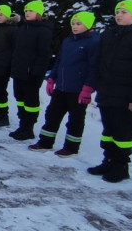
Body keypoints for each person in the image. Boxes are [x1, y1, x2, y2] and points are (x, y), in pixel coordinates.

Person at [87, 0, 132, 183]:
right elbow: (100, 61)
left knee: (123, 132)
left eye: (124, 12)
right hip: (107, 91)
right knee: (108, 129)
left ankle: (121, 166)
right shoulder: (110, 34)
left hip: (126, 95)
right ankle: (108, 160)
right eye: (117, 12)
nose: (119, 15)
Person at [29, 11, 99, 156]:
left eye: (79, 24)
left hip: (78, 89)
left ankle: (71, 147)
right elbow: (60, 61)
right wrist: (52, 78)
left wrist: (88, 88)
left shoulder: (93, 42)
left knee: (75, 119)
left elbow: (94, 67)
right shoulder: (68, 41)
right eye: (73, 23)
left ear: (89, 25)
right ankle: (45, 142)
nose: (75, 26)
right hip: (61, 86)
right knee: (52, 114)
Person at [8, 0, 54, 140]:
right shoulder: (23, 28)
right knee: (20, 98)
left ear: (39, 13)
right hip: (20, 71)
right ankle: (22, 125)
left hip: (32, 74)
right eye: (26, 11)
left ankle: (28, 128)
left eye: (31, 11)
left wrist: (36, 73)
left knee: (30, 101)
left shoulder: (43, 30)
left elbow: (43, 54)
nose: (27, 13)